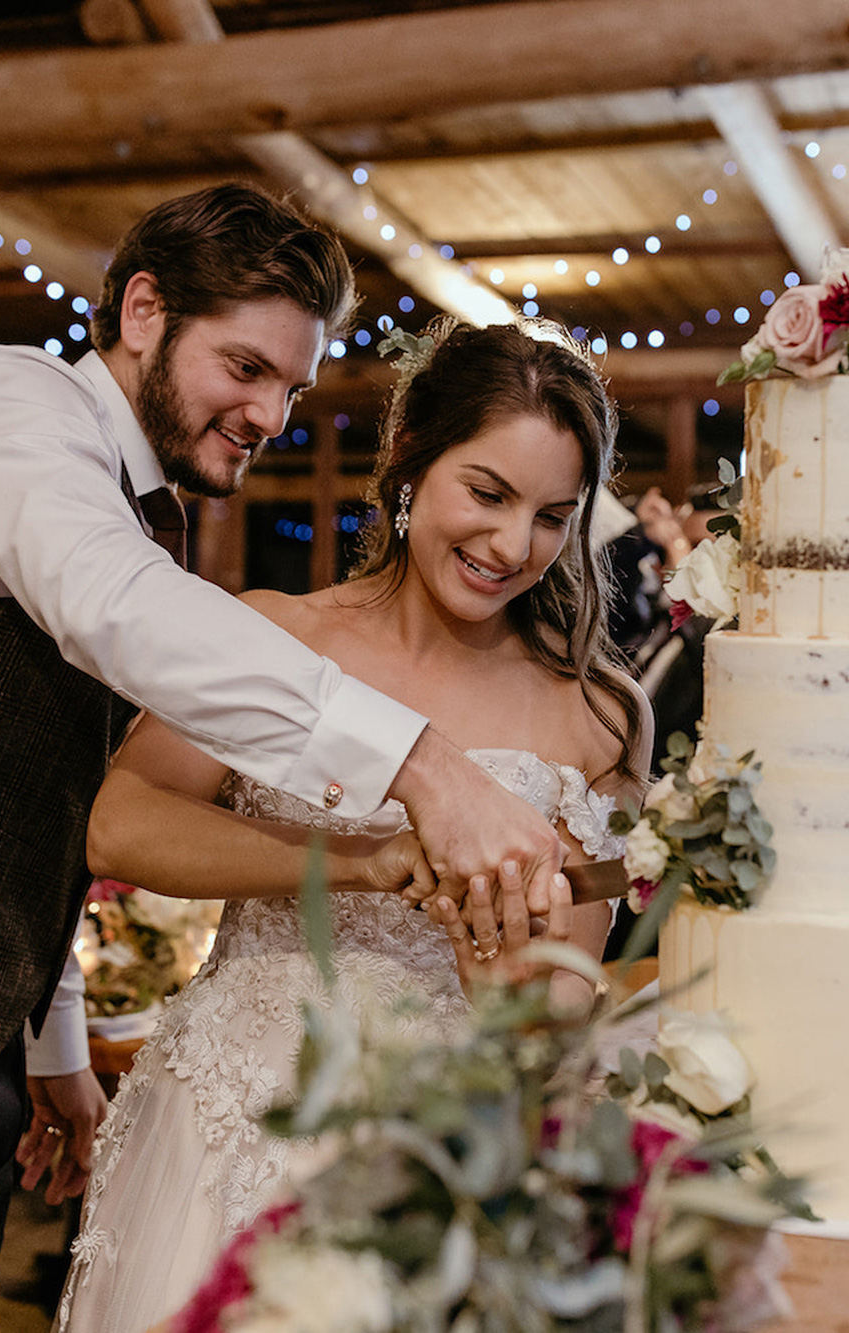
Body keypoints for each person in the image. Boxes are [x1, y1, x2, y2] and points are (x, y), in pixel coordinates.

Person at [0, 184, 571, 1333]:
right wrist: (425, 768)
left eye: (290, 387)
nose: (269, 414)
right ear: (143, 308)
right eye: (244, 367)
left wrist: (49, 1048)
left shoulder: (141, 513)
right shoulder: (7, 403)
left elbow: (46, 802)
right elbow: (115, 610)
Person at [55, 315, 650, 1332]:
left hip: (449, 1153)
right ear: (410, 457)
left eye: (553, 515)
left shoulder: (597, 711)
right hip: (230, 1122)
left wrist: (500, 989)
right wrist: (364, 861)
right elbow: (116, 823)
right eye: (488, 493)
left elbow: (563, 1003)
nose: (514, 546)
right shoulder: (271, 637)